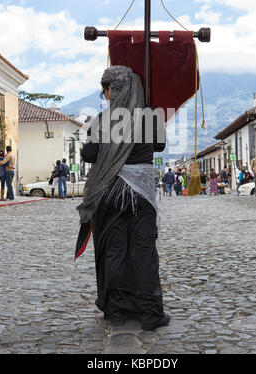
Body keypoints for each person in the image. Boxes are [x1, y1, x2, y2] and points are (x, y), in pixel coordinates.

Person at [75, 65, 169, 331]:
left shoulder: (103, 120)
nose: (105, 96)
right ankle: (150, 313)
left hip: (111, 193)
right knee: (144, 253)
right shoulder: (150, 115)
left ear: (112, 90)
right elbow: (159, 145)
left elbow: (89, 154)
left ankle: (116, 310)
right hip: (142, 195)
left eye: (105, 91)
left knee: (114, 251)